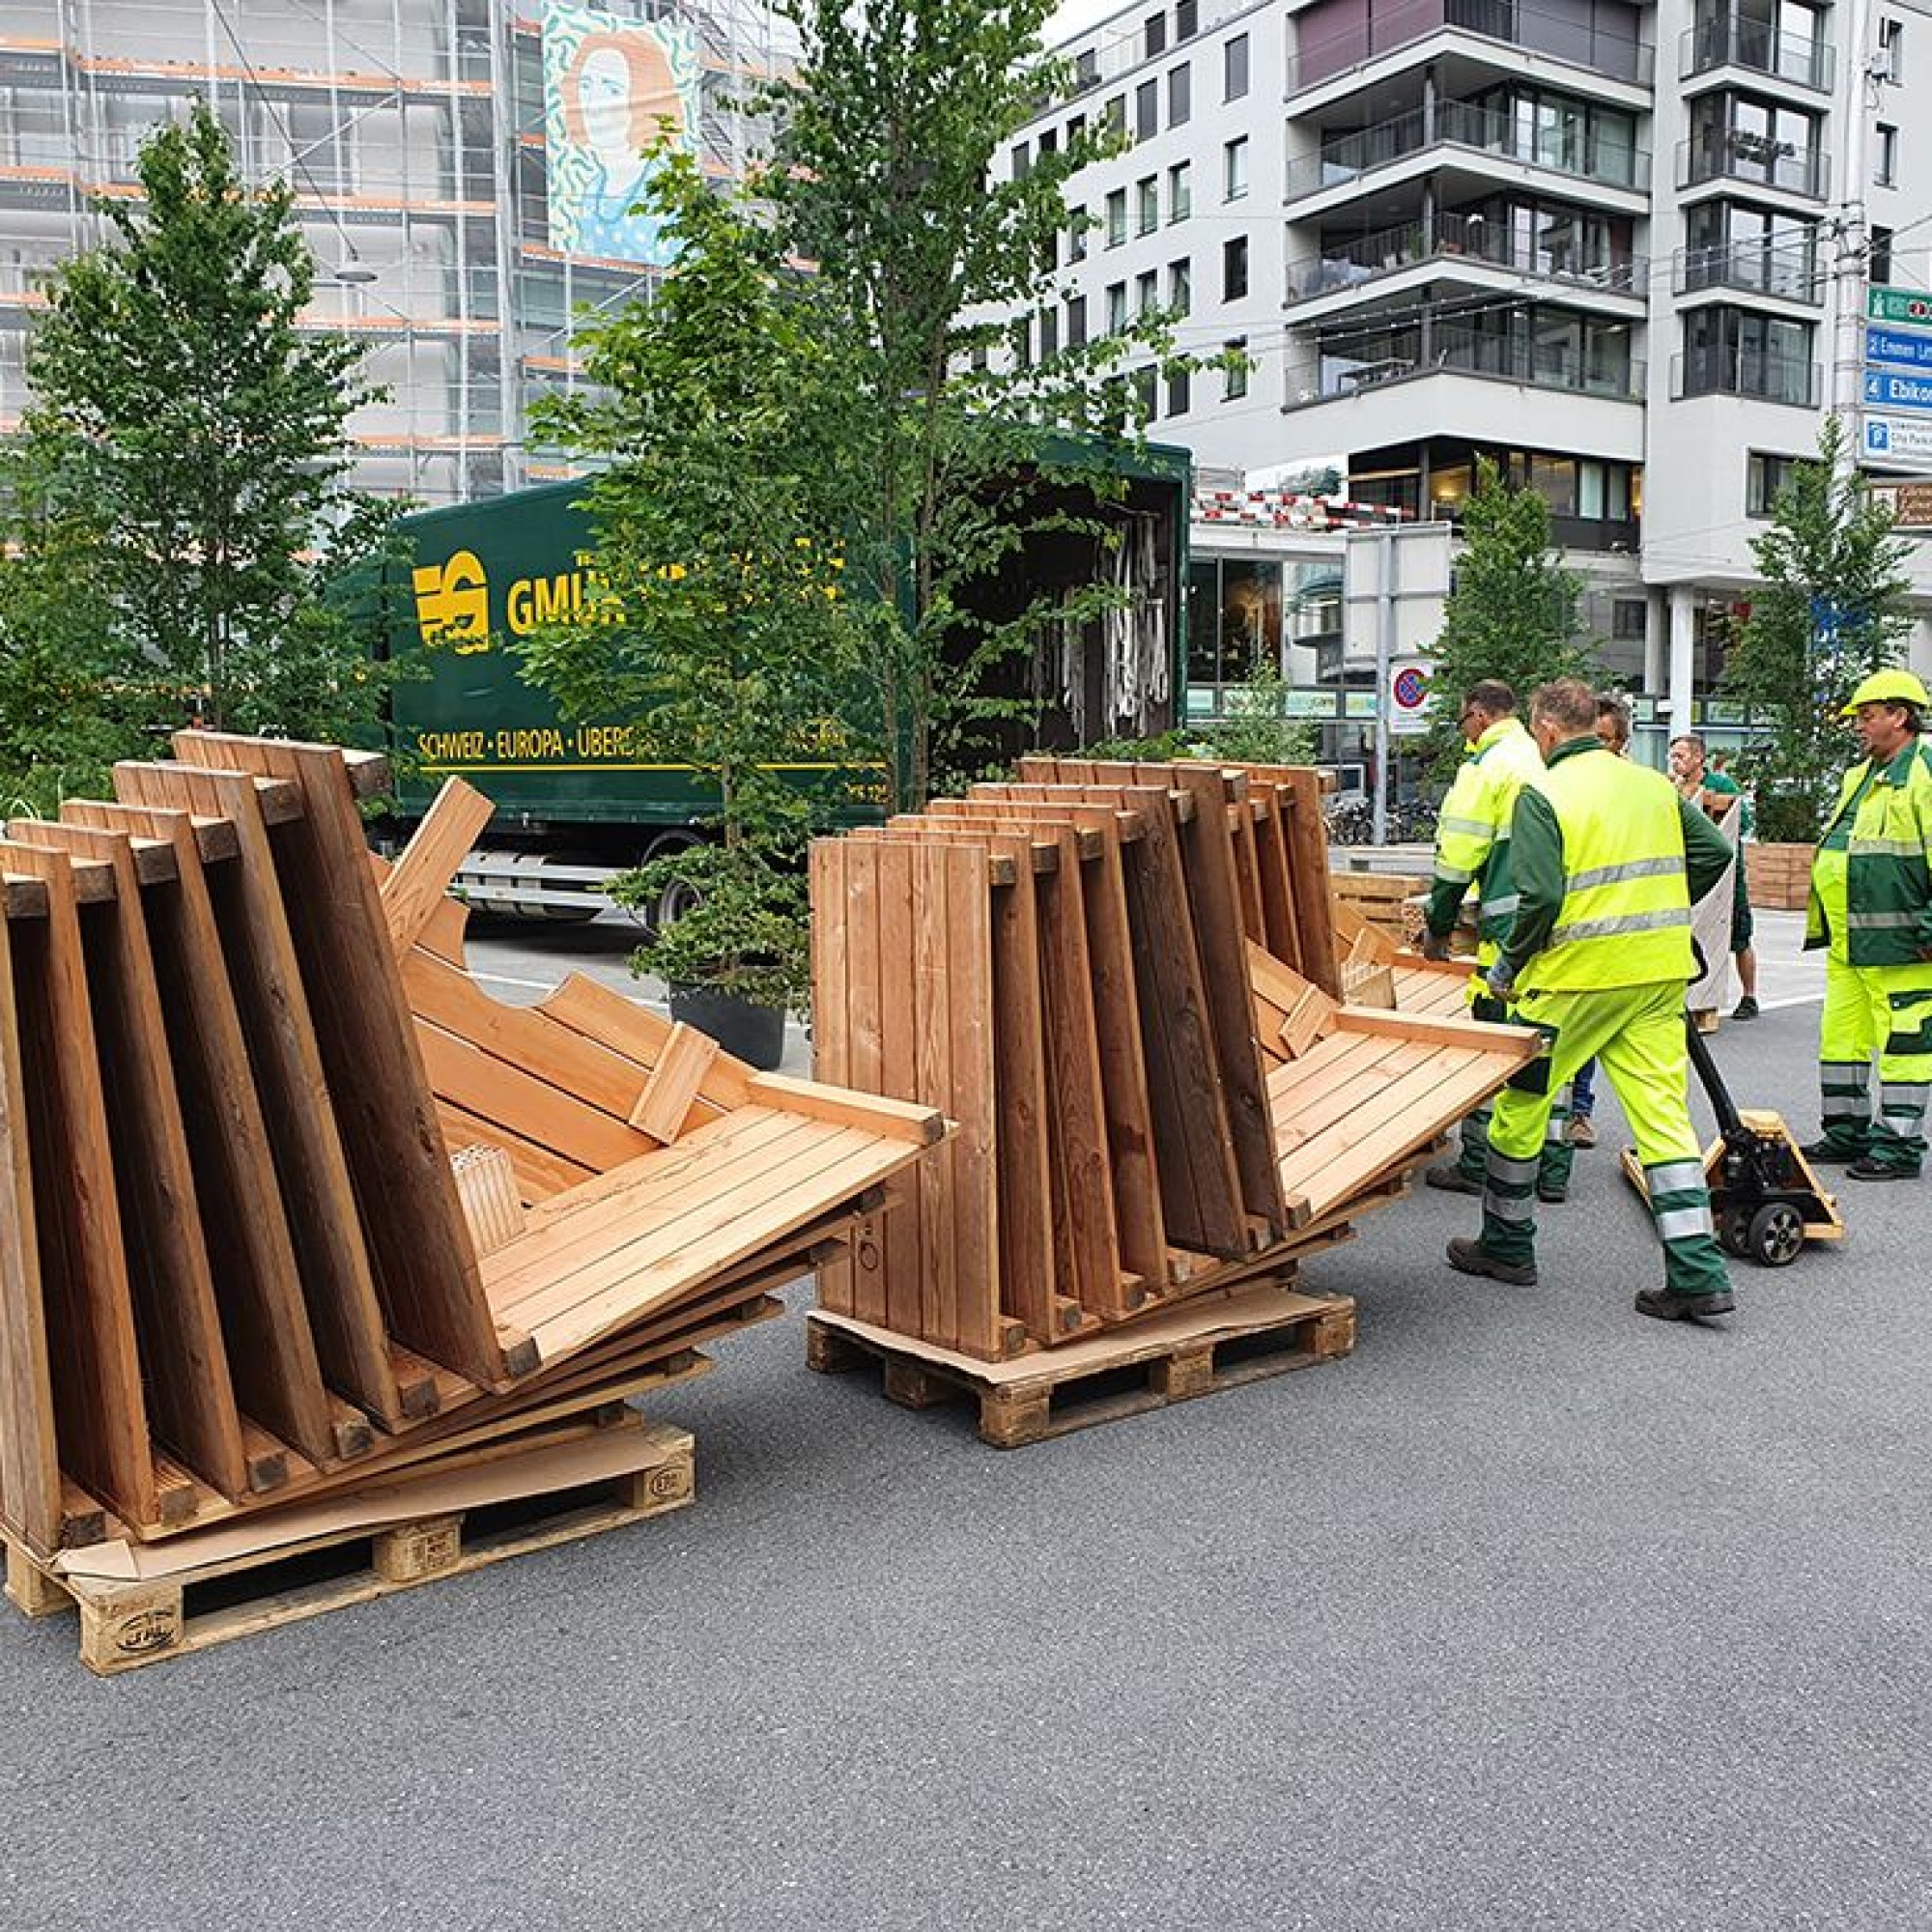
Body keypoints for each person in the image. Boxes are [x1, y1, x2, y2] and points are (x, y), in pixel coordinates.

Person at [1447, 678, 1738, 1322]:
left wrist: (1511, 964)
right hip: (1657, 977)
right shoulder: (1653, 786)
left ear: (1547, 731)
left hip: (1572, 982)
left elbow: (1542, 898)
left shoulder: (1542, 793)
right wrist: (1658, 910)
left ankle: (1507, 1246)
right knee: (1664, 1119)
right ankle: (1697, 1271)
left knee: (1521, 1107)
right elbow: (1715, 851)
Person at [1418, 680, 1571, 1203]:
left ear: (1479, 716)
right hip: (1555, 926)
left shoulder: (1487, 768)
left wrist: (1437, 926)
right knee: (1546, 1041)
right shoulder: (1539, 758)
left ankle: (1481, 1162)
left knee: (1494, 1045)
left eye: (1462, 720)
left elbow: (1457, 859)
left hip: (1507, 929)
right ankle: (1552, 1168)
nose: (1463, 731)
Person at [1802, 668, 1932, 1181]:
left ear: (1900, 717)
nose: (1858, 725)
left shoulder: (1924, 773)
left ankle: (1898, 1147)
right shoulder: (1861, 775)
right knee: (1841, 1040)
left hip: (1903, 946)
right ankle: (1846, 1132)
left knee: (1905, 1043)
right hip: (1850, 942)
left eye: (1868, 715)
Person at [1564, 691, 1634, 1150]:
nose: (1598, 748)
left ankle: (1579, 1114)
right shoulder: (1568, 786)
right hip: (1582, 931)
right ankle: (1576, 1115)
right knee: (1576, 1037)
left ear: (1621, 743)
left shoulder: (1639, 790)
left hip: (1628, 936)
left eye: (1605, 740)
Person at [1670, 733, 1760, 1020]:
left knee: (1740, 937)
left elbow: (1740, 821)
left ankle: (1749, 995)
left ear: (1699, 758)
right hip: (1687, 869)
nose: (1675, 762)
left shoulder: (1721, 785)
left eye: (1681, 756)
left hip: (1728, 876)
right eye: (1673, 756)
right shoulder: (1670, 787)